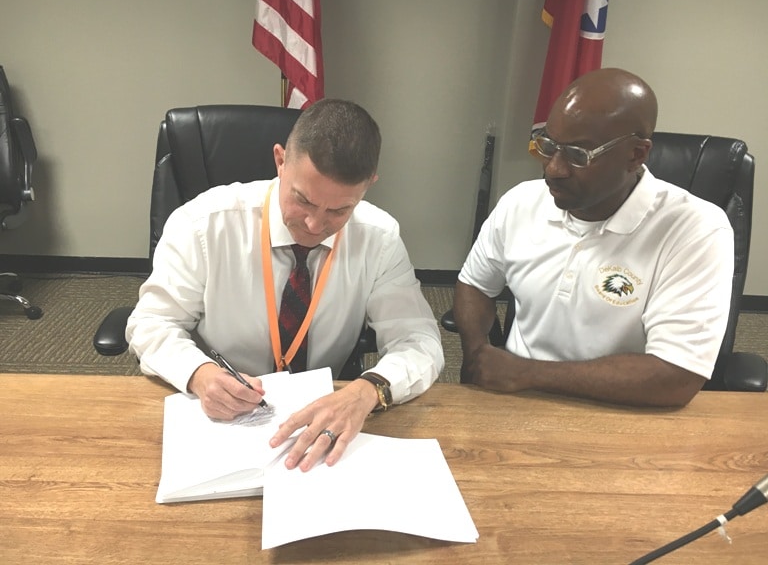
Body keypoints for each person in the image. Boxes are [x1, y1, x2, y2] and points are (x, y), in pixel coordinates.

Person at [126, 98, 444, 471]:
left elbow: (419, 342)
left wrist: (369, 389)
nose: (314, 225)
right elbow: (150, 325)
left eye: (339, 210)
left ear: (368, 185)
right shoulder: (203, 224)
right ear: (280, 160)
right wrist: (200, 375)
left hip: (322, 426)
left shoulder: (379, 237)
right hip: (220, 421)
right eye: (303, 200)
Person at [453, 68, 733, 408]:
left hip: (622, 412)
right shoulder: (521, 202)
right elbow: (474, 284)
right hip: (515, 401)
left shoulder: (695, 230)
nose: (553, 169)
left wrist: (528, 373)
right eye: (548, 146)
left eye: (578, 155)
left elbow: (676, 377)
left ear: (636, 154)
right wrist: (477, 352)